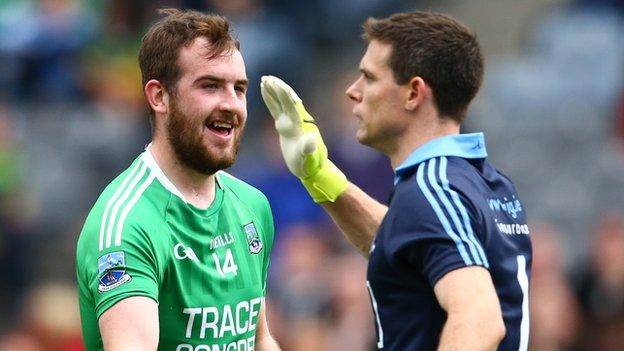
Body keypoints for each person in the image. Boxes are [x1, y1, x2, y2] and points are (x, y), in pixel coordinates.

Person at [260, 11, 532, 351]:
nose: (352, 91)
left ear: (413, 93)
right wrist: (320, 175)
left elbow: (479, 319)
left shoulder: (432, 191)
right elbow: (411, 246)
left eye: (369, 78)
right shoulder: (481, 182)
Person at [76, 9, 280, 351]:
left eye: (239, 88)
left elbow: (260, 339)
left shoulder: (253, 206)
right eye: (210, 86)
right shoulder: (128, 224)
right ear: (159, 96)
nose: (232, 104)